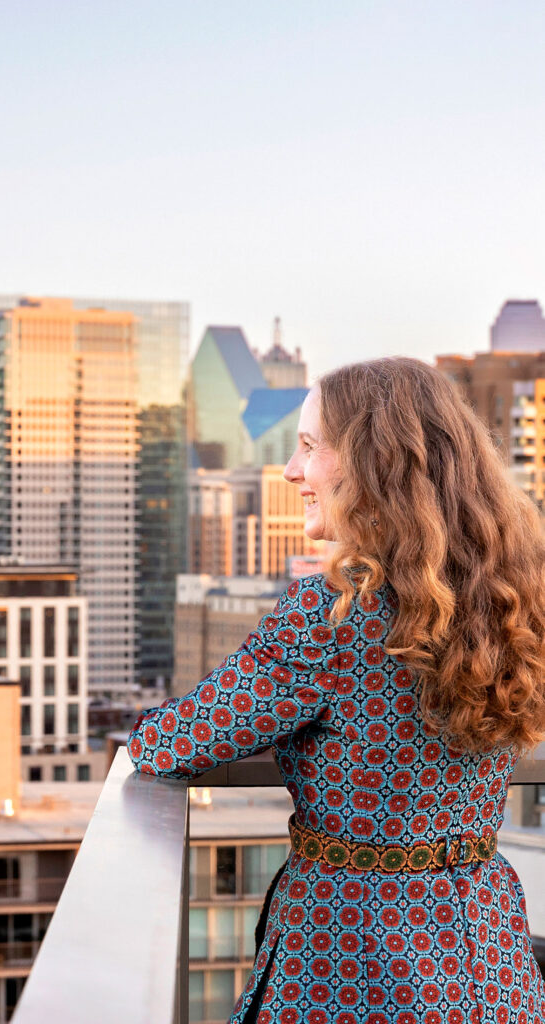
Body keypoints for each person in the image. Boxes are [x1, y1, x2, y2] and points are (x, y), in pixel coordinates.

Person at [128, 357, 545, 1024]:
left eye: (307, 447)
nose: (291, 473)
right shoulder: (512, 601)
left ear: (373, 464)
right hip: (486, 950)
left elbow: (168, 743)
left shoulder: (332, 617)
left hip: (350, 953)